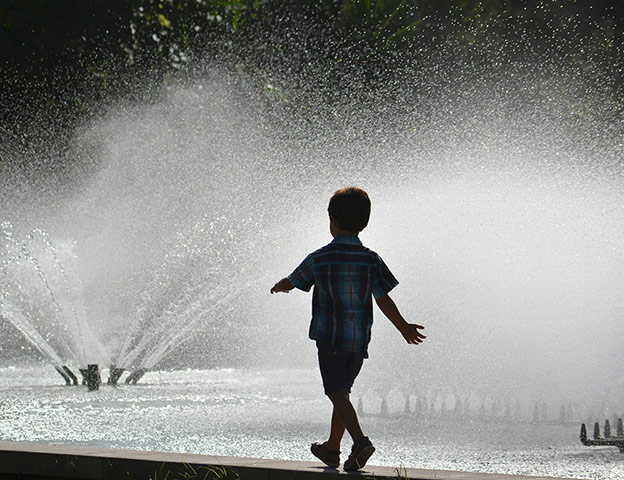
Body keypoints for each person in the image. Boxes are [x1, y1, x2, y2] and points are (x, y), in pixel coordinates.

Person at [270, 186, 426, 471]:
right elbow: (383, 298)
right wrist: (403, 326)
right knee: (343, 393)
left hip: (330, 339)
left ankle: (360, 441)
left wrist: (280, 287)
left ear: (333, 221)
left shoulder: (320, 257)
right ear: (364, 222)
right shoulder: (371, 259)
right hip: (359, 340)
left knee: (336, 392)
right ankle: (332, 450)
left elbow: (293, 280)